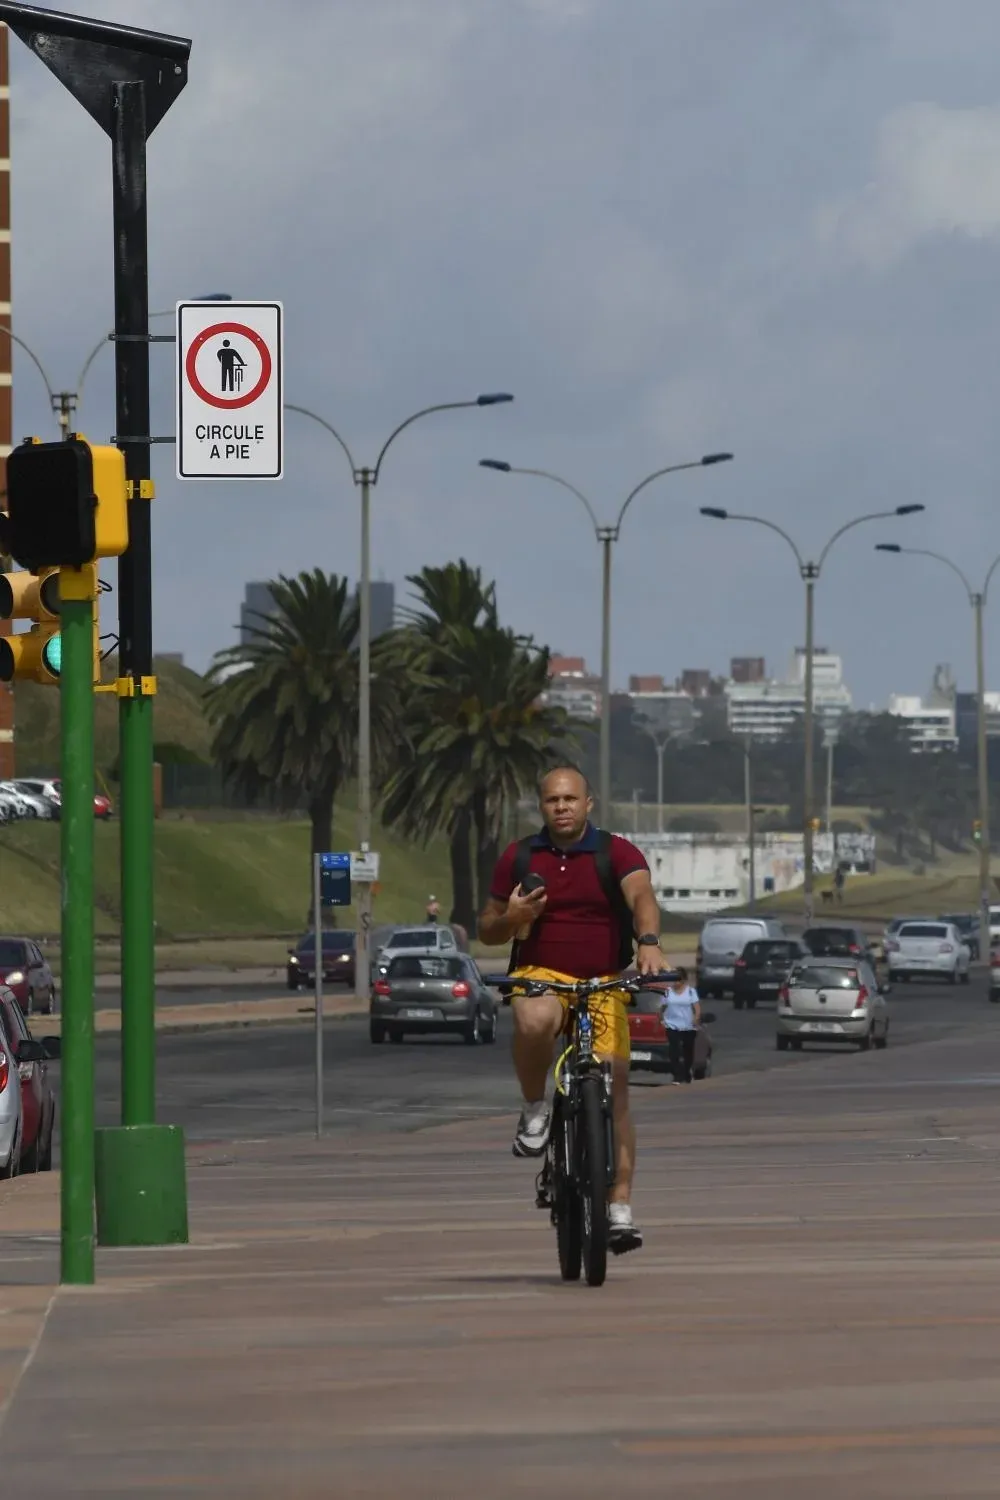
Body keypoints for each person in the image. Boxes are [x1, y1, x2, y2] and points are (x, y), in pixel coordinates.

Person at [478, 765, 665, 1252]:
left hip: (603, 981)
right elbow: (487, 928)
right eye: (551, 800)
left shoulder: (615, 851)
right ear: (541, 806)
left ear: (588, 804)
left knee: (614, 1084)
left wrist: (647, 942)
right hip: (542, 974)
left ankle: (619, 1206)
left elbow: (641, 894)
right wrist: (513, 918)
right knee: (534, 1019)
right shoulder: (520, 856)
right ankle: (535, 1108)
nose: (561, 807)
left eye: (570, 799)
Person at [659, 967, 701, 1084]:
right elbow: (662, 1008)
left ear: (683, 980)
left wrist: (696, 1018)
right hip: (672, 1025)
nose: (675, 983)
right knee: (674, 1049)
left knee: (688, 1050)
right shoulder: (667, 992)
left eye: (678, 980)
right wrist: (661, 1020)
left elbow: (697, 1008)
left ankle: (687, 1072)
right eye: (674, 980)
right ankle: (677, 1075)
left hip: (688, 1026)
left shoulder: (691, 992)